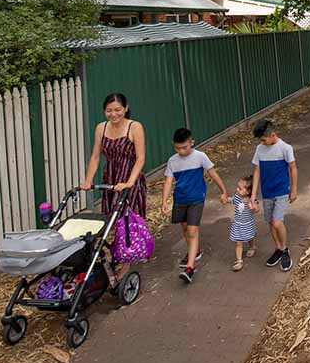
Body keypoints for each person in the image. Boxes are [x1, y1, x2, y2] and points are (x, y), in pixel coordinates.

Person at [80, 93, 146, 279]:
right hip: (111, 179)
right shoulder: (101, 128)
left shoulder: (135, 127)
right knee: (114, 220)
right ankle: (119, 253)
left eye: (117, 110)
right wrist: (88, 180)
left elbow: (140, 158)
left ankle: (126, 263)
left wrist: (130, 182)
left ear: (125, 108)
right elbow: (95, 156)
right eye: (109, 110)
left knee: (127, 221)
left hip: (129, 178)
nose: (113, 114)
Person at [161, 127, 228, 284]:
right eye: (177, 148)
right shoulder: (172, 161)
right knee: (185, 228)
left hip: (197, 198)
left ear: (192, 142)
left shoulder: (200, 156)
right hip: (180, 199)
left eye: (184, 147)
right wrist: (164, 201)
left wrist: (223, 191)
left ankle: (190, 267)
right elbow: (168, 181)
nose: (182, 151)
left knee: (192, 230)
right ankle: (195, 251)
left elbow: (213, 173)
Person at [251, 118, 297, 271]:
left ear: (273, 135)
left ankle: (284, 249)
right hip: (267, 192)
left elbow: (293, 168)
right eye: (260, 140)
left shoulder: (285, 148)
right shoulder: (260, 149)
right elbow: (257, 171)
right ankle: (278, 248)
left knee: (277, 222)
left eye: (264, 139)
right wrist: (253, 194)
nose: (262, 142)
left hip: (282, 191)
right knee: (270, 222)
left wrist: (294, 189)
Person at [229, 175, 258, 271]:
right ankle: (239, 260)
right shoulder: (237, 197)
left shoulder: (251, 200)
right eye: (238, 187)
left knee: (250, 236)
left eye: (240, 188)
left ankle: (252, 246)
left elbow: (257, 209)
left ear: (248, 191)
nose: (237, 190)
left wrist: (253, 207)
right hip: (238, 224)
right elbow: (230, 200)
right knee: (238, 242)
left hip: (248, 224)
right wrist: (225, 199)